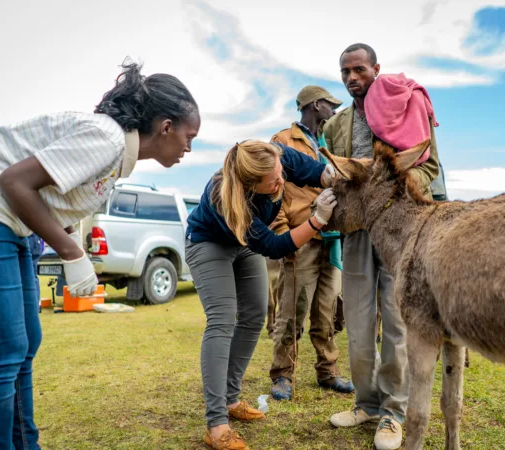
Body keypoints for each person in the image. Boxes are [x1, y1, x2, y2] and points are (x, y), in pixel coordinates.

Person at [0, 60, 200, 450]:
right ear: (166, 127)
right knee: (1, 352)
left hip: (14, 226)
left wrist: (63, 238)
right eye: (188, 136)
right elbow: (14, 181)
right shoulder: (106, 139)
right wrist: (72, 252)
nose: (189, 147)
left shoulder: (116, 156)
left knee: (25, 344)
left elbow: (52, 199)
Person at [324, 43, 441, 450]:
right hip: (356, 233)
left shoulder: (406, 107)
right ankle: (366, 403)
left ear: (376, 69)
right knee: (357, 323)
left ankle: (393, 412)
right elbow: (334, 178)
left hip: (399, 233)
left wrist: (390, 197)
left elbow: (429, 167)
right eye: (345, 72)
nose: (352, 78)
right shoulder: (335, 127)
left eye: (359, 69)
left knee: (395, 324)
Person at [185, 140, 337, 450]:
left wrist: (332, 176)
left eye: (281, 173)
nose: (282, 180)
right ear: (251, 183)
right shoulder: (224, 197)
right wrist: (318, 220)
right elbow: (273, 246)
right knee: (222, 319)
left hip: (242, 244)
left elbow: (313, 170)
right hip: (208, 243)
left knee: (255, 314)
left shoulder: (274, 157)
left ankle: (230, 399)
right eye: (275, 180)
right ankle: (216, 423)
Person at [268, 86, 353, 400]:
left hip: (332, 239)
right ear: (316, 105)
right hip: (301, 237)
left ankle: (328, 371)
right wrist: (283, 235)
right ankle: (282, 375)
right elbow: (273, 190)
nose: (333, 111)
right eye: (330, 105)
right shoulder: (283, 141)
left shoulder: (331, 142)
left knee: (327, 310)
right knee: (292, 311)